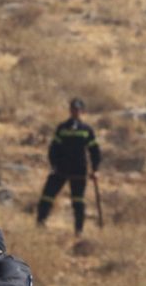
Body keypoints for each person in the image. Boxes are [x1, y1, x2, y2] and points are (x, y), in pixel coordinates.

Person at [36, 97, 102, 236]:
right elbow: (53, 148)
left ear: (82, 111)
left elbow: (94, 150)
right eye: (73, 109)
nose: (75, 112)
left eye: (78, 109)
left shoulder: (86, 130)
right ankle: (40, 224)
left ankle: (79, 230)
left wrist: (95, 169)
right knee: (47, 196)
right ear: (70, 110)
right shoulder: (62, 128)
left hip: (79, 171)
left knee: (78, 201)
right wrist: (53, 164)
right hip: (60, 170)